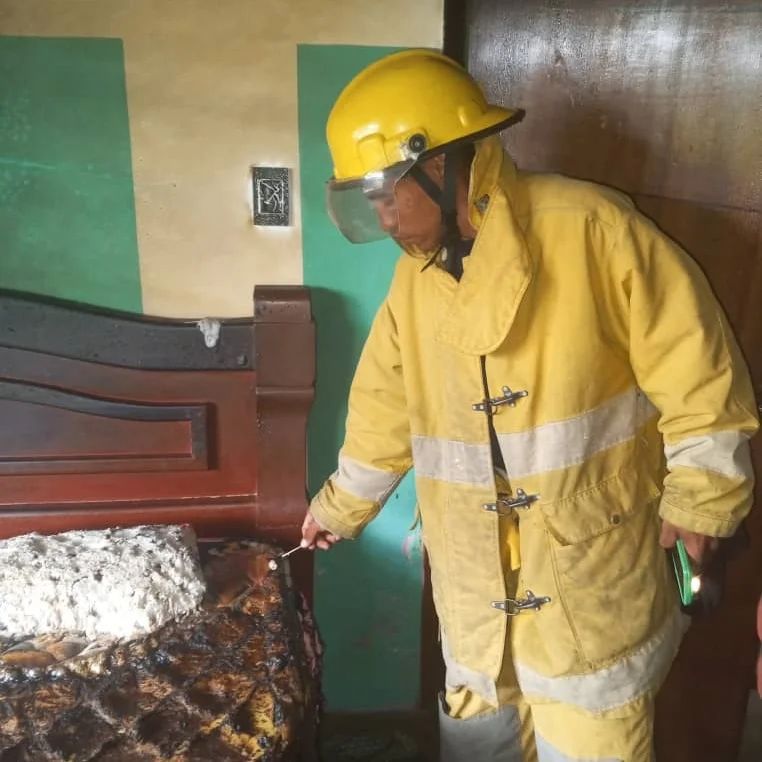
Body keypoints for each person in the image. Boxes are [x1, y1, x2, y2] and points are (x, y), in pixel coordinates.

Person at [301, 49, 759, 761]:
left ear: (440, 163)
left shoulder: (593, 230)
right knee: (479, 739)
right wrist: (338, 507)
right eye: (370, 201)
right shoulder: (415, 282)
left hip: (588, 572)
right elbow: (384, 411)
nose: (384, 217)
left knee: (590, 735)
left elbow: (699, 373)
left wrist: (703, 501)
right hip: (474, 588)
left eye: (388, 194)